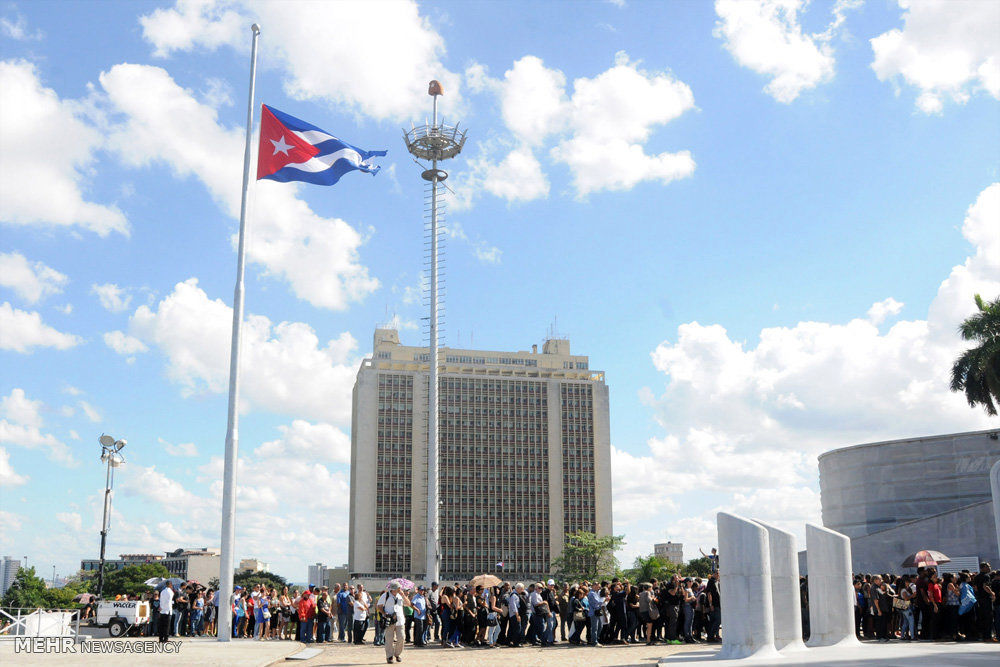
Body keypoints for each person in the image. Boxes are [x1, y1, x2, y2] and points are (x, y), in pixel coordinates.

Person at [378, 582, 411, 664]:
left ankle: (397, 654)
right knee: (389, 639)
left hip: (400, 620)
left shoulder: (400, 596)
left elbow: (408, 604)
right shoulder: (385, 596)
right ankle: (389, 656)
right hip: (390, 621)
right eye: (398, 588)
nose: (400, 590)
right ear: (393, 589)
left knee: (402, 637)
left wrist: (403, 595)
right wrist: (385, 614)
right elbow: (379, 606)